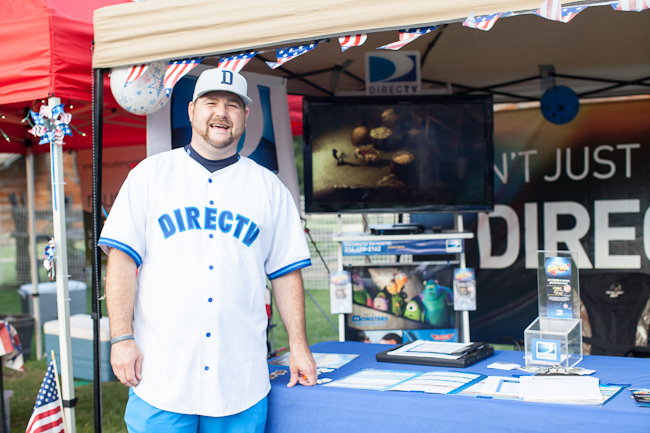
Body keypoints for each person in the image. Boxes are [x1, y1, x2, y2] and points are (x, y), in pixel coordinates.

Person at [99, 68, 317, 433]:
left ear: (246, 117)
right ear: (191, 111)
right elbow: (121, 263)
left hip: (240, 380)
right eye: (211, 103)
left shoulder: (269, 188)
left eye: (233, 105)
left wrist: (299, 345)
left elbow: (285, 273)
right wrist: (122, 339)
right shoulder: (150, 176)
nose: (222, 113)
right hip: (162, 375)